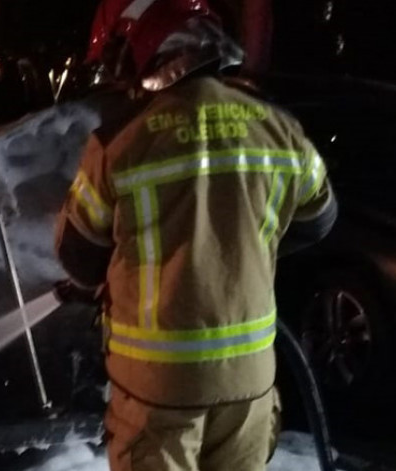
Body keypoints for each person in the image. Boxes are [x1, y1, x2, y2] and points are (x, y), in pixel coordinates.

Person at [54, 1, 338, 470]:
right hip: (248, 384)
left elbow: (77, 256)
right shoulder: (278, 129)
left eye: (123, 62)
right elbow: (319, 220)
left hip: (156, 390)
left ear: (148, 53)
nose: (121, 79)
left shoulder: (120, 142)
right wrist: (243, 244)